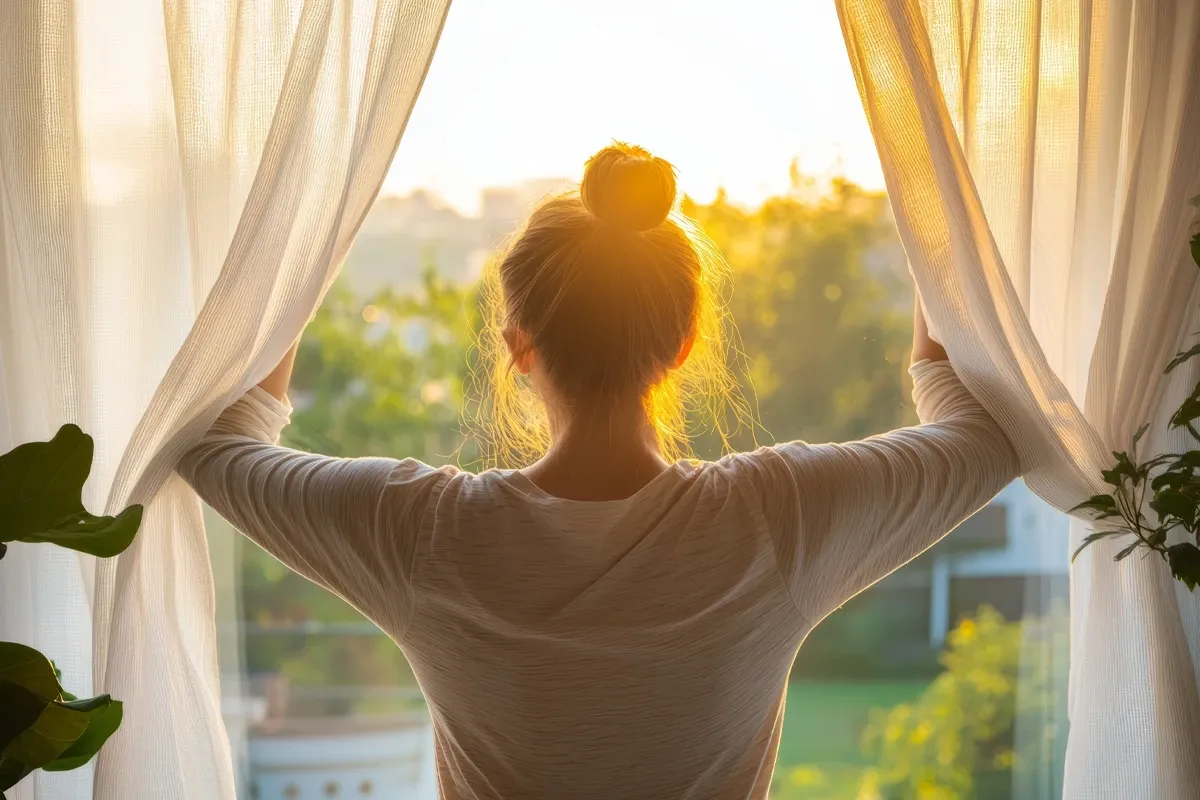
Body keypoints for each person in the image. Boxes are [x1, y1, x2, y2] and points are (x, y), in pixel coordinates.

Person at [179, 143, 1020, 799]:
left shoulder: (423, 535)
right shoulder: (777, 522)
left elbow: (220, 445)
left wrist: (300, 233)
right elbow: (983, 438)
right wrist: (937, 208)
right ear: (684, 341)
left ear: (518, 348)